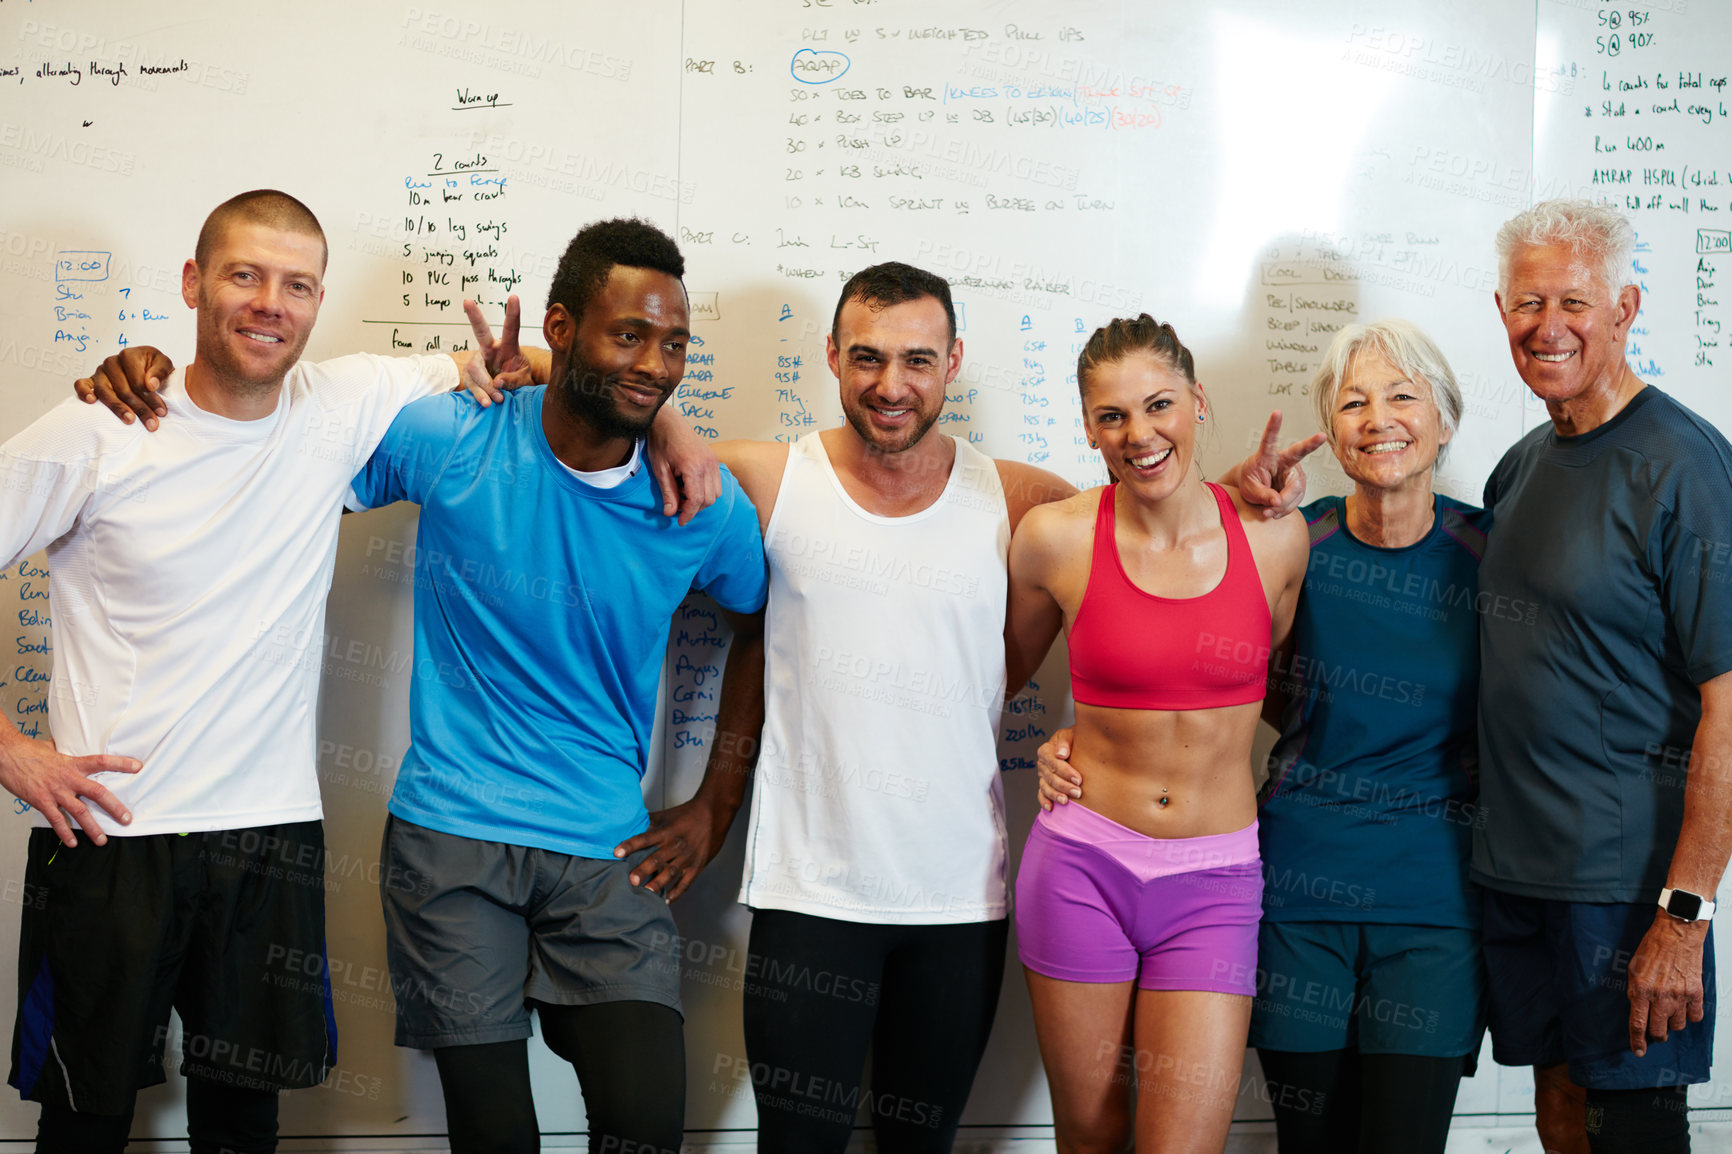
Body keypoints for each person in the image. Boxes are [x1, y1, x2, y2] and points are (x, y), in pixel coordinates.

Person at [72, 216, 733, 1154]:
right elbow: (258, 426)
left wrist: (718, 800)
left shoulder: (696, 494)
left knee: (645, 1129)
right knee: (491, 1136)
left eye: (673, 347)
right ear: (558, 326)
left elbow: (765, 605)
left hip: (605, 843)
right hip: (444, 838)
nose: (654, 363)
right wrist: (149, 373)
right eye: (628, 335)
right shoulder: (448, 433)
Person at [0, 189, 535, 1154]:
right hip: (114, 835)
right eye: (244, 275)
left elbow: (519, 368)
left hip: (269, 833)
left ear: (319, 301)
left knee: (245, 1122)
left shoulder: (344, 399)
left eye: (296, 285)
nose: (269, 303)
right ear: (194, 283)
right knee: (86, 1118)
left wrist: (662, 427)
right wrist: (11, 752)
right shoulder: (100, 430)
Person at [620, 261, 1076, 1153]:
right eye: (867, 357)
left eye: (917, 359)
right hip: (811, 897)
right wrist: (668, 412)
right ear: (831, 356)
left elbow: (1149, 544)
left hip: (957, 906)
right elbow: (608, 419)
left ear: (953, 363)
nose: (891, 384)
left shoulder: (1020, 498)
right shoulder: (771, 478)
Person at [1038, 319, 1488, 1153]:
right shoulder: (1291, 537)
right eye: (1352, 401)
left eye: (1401, 395)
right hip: (1297, 889)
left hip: (1434, 902)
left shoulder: (1491, 553)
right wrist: (1068, 740)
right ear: (1331, 429)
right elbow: (1232, 683)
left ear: (1446, 419)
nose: (1377, 417)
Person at [1003, 314, 1308, 1153]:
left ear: (1199, 401)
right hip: (1081, 866)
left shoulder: (1277, 535)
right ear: (1089, 426)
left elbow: (1268, 679)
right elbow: (995, 682)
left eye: (1159, 404)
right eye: (1112, 416)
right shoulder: (1055, 538)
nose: (1139, 435)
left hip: (1213, 881)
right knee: (1090, 1138)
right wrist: (1044, 740)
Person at [1470, 199, 1732, 1154]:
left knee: (1633, 1134)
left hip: (1624, 889)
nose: (1550, 326)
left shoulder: (1684, 465)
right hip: (1515, 876)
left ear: (1624, 307)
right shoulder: (1520, 466)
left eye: (1574, 301)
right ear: (1500, 308)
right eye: (1528, 301)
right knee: (1559, 1119)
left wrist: (1685, 917)